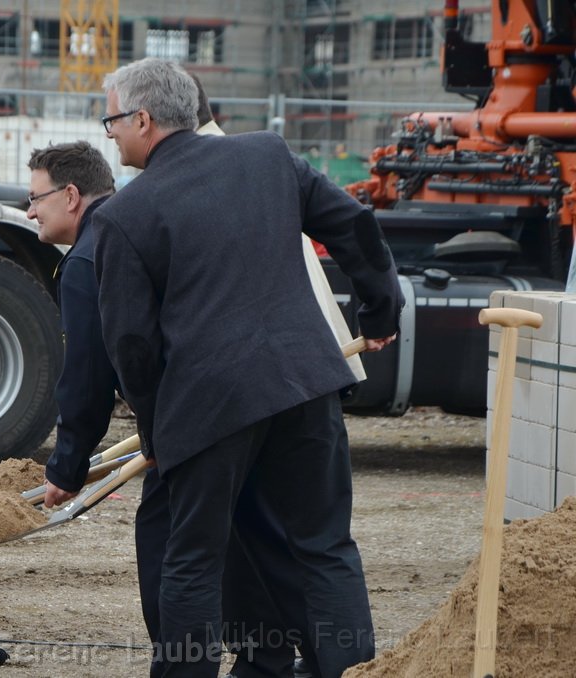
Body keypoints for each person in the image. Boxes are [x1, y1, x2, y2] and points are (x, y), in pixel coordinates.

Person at [94, 58, 403, 678]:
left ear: (144, 120)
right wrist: (378, 311)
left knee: (194, 561)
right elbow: (354, 224)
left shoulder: (124, 215)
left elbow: (131, 345)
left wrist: (158, 432)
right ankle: (350, 671)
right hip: (305, 384)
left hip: (208, 407)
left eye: (111, 121)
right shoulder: (267, 157)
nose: (110, 135)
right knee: (324, 546)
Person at [24, 141, 119, 509]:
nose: (31, 213)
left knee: (167, 542)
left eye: (35, 199)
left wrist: (66, 468)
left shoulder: (85, 261)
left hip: (197, 416)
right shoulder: (134, 221)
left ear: (70, 196)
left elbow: (88, 377)